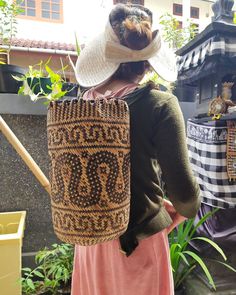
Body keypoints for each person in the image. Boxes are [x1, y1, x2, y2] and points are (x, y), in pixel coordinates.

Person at [72, 3, 200, 295]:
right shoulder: (160, 104)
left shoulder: (83, 103)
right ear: (148, 61)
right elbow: (184, 194)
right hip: (139, 244)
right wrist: (186, 206)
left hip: (90, 242)